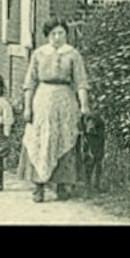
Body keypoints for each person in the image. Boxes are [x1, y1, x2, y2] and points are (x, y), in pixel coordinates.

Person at [20, 17, 90, 202]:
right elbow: (30, 82)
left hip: (65, 100)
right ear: (47, 36)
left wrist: (84, 106)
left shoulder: (73, 55)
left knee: (64, 137)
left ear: (66, 35)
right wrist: (27, 107)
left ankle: (61, 185)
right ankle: (39, 186)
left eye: (61, 33)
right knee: (42, 139)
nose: (57, 37)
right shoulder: (39, 54)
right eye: (53, 34)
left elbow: (81, 82)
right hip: (42, 99)